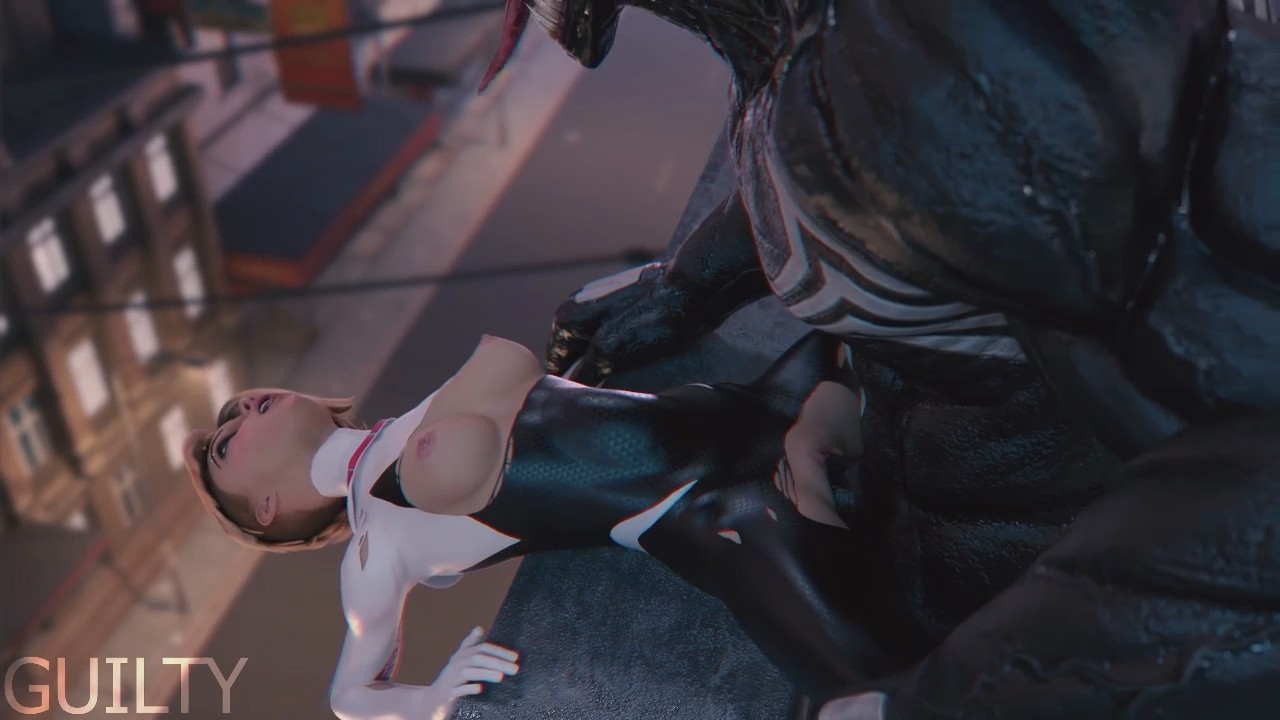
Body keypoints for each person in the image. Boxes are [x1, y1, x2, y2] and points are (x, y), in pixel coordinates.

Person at [183, 331, 894, 720]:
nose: (242, 410)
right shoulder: (375, 547)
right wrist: (435, 698)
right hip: (720, 512)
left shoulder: (406, 420)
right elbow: (348, 696)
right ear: (266, 509)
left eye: (236, 407)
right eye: (226, 443)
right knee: (873, 689)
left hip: (746, 404)